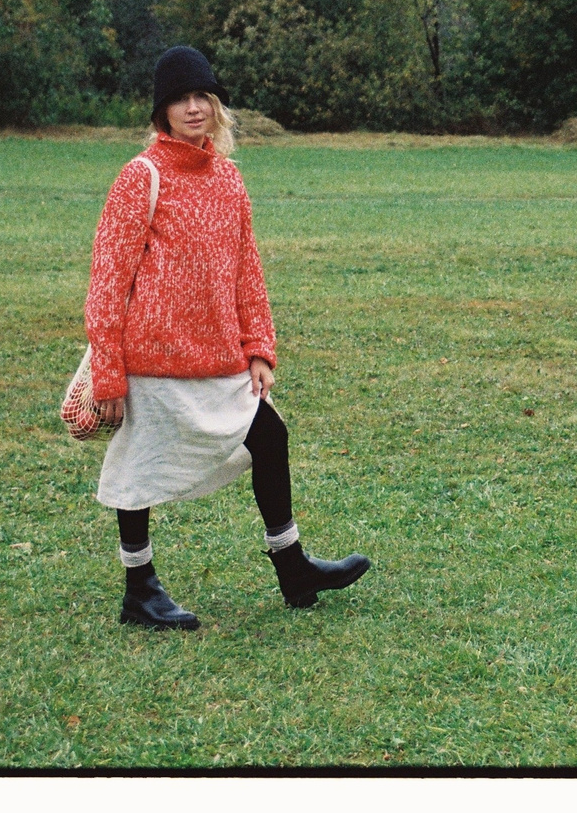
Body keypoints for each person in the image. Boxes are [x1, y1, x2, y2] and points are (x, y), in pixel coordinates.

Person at [82, 45, 370, 630]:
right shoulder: (141, 177)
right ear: (161, 112)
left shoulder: (229, 179)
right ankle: (139, 589)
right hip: (154, 359)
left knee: (269, 435)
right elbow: (109, 277)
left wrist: (258, 347)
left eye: (202, 97)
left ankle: (292, 567)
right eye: (179, 99)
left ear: (216, 106)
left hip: (219, 358)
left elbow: (246, 270)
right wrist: (109, 370)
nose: (193, 108)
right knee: (138, 471)